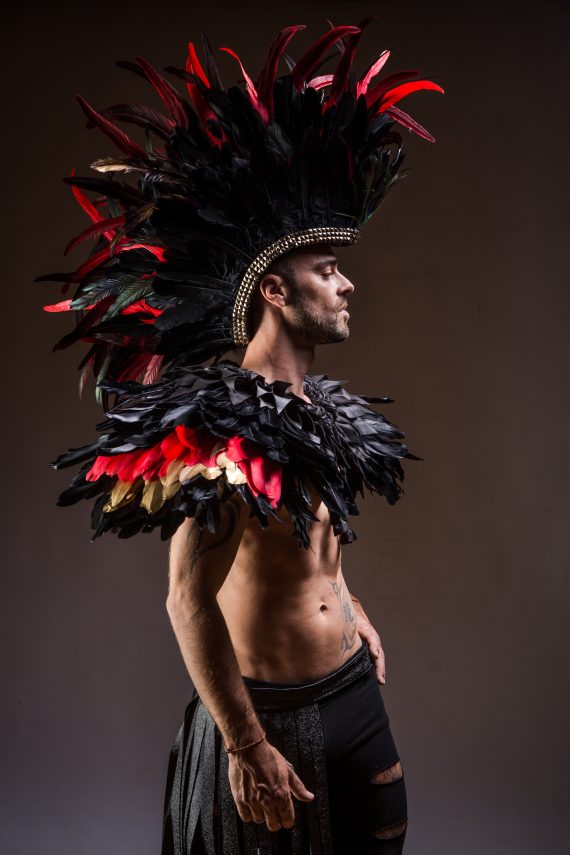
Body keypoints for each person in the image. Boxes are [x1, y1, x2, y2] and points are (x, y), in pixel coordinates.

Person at [39, 19, 443, 854]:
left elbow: (307, 536)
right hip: (276, 724)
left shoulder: (321, 408)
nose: (347, 282)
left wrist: (349, 600)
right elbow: (187, 597)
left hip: (354, 695)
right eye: (327, 269)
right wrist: (246, 744)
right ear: (274, 292)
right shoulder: (220, 430)